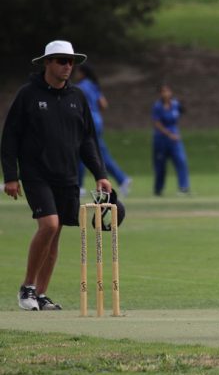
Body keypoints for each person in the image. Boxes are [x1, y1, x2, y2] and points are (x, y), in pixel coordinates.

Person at [1, 40, 112, 311]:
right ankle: (26, 288)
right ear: (47, 63)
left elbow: (88, 140)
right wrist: (11, 176)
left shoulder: (77, 98)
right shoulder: (28, 95)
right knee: (48, 225)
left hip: (67, 175)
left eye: (71, 61)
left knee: (56, 234)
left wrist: (100, 174)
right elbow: (10, 137)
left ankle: (40, 294)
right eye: (61, 60)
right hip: (36, 174)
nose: (67, 66)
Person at [76, 63, 132, 197]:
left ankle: (79, 186)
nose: (75, 74)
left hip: (87, 122)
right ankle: (122, 179)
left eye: (77, 72)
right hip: (98, 121)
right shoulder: (94, 86)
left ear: (82, 73)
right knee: (101, 154)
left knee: (80, 152)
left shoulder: (79, 88)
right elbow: (104, 104)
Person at [152, 84, 190, 196]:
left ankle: (183, 188)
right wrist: (169, 134)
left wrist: (183, 102)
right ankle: (158, 189)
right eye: (163, 92)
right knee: (160, 165)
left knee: (181, 161)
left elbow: (183, 110)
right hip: (161, 139)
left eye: (168, 91)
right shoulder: (157, 106)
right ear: (160, 94)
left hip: (175, 139)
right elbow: (157, 123)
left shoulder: (175, 104)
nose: (166, 94)